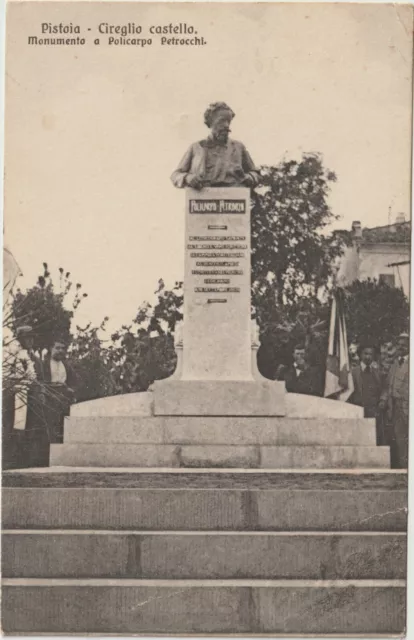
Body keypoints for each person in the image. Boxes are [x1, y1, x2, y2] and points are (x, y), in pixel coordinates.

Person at [171, 102, 260, 190]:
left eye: (228, 121)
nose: (226, 125)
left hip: (233, 199)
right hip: (202, 198)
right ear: (210, 123)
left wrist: (250, 177)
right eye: (221, 121)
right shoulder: (196, 148)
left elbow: (255, 174)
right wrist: (187, 178)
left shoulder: (239, 148)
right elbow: (175, 175)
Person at [379, 333, 409, 468]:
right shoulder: (395, 364)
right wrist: (383, 400)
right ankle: (404, 470)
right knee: (400, 440)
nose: (401, 347)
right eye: (400, 345)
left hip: (408, 407)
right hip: (395, 409)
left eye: (405, 345)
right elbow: (387, 386)